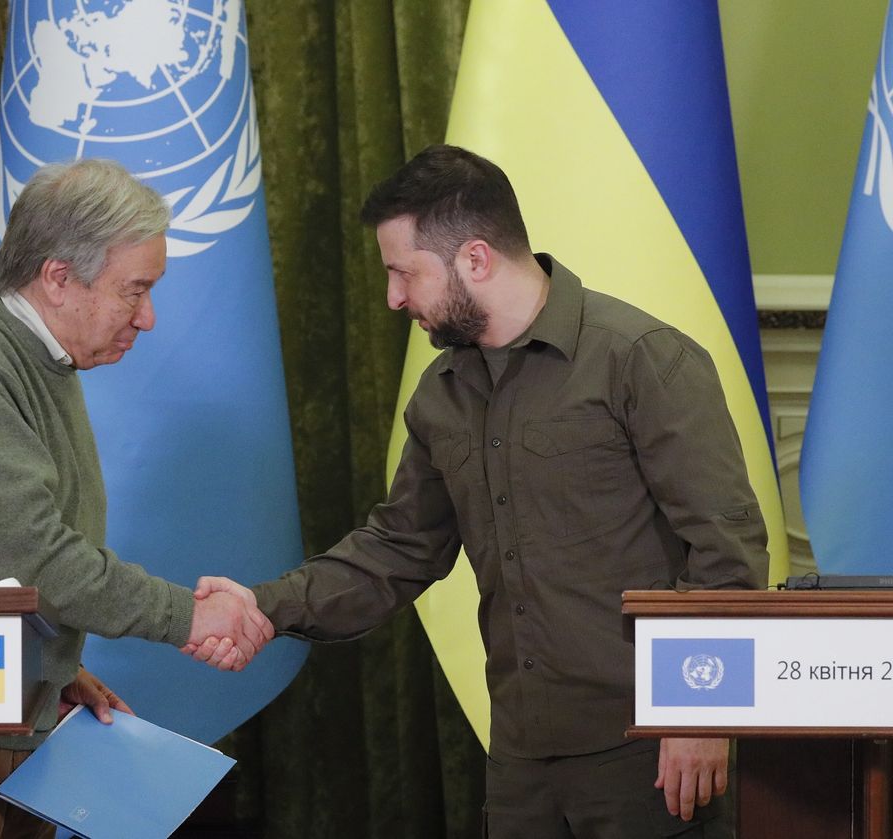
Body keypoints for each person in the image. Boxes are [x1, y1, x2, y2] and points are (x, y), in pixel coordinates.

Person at [188, 145, 769, 838]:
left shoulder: (642, 358)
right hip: (520, 756)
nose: (393, 297)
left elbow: (727, 549)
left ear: (475, 260)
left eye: (404, 273)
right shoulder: (442, 395)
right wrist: (264, 605)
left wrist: (699, 713)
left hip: (647, 746)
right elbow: (398, 549)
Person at [0, 158, 271, 838]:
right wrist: (190, 616)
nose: (148, 317)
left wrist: (56, 666)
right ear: (59, 278)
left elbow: (0, 563)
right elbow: (35, 557)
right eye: (135, 290)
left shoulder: (35, 354)